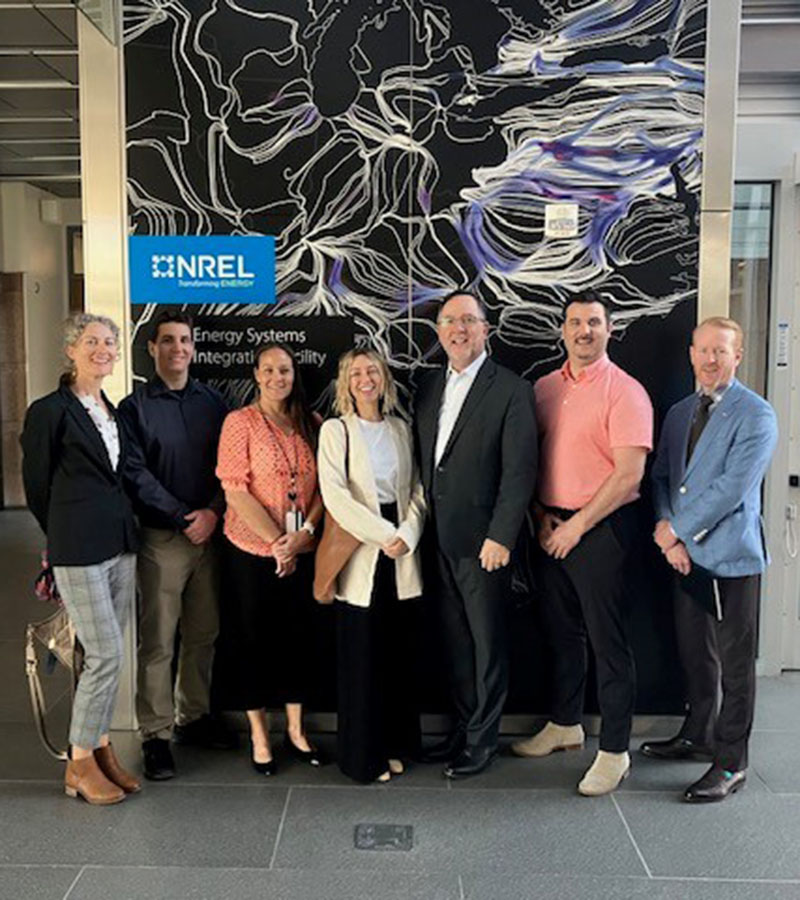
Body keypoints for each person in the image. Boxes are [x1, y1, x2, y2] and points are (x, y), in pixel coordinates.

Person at [513, 290, 653, 797]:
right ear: (563, 330)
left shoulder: (626, 391)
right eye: (575, 322)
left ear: (608, 329)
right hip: (550, 528)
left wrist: (578, 526)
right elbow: (528, 461)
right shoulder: (545, 388)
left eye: (594, 322)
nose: (584, 331)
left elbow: (629, 474)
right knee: (562, 633)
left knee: (607, 643)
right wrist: (543, 517)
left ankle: (614, 752)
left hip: (602, 531)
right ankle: (565, 725)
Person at [644, 316, 778, 802]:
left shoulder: (757, 415)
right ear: (691, 354)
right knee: (695, 654)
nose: (709, 359)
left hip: (730, 559)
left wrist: (676, 530)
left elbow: (730, 490)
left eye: (720, 351)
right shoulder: (680, 412)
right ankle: (699, 733)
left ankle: (730, 763)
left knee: (735, 666)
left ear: (737, 355)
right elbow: (662, 477)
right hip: (682, 556)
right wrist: (670, 539)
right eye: (702, 350)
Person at [414, 291, 537, 778]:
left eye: (469, 320)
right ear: (439, 331)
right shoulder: (427, 386)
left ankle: (483, 741)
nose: (459, 329)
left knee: (488, 645)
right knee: (456, 643)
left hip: (484, 543)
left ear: (487, 329)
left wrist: (501, 536)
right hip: (436, 540)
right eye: (450, 321)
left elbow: (520, 471)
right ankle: (463, 729)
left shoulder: (510, 389)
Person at [20, 313, 139, 805]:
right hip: (78, 549)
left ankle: (103, 747)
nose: (103, 349)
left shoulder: (109, 409)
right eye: (91, 341)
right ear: (70, 350)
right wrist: (62, 535)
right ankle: (79, 762)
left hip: (119, 542)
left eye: (109, 342)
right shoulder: (49, 410)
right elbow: (37, 485)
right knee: (106, 653)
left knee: (103, 657)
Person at [119, 310, 235, 782]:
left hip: (211, 533)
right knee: (159, 640)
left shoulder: (214, 401)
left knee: (204, 633)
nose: (177, 349)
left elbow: (231, 466)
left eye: (184, 341)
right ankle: (155, 735)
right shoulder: (133, 407)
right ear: (152, 348)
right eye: (167, 341)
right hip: (162, 539)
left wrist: (211, 512)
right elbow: (133, 471)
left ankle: (194, 717)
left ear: (193, 347)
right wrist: (181, 516)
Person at [214, 342, 324, 775]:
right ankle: (259, 735)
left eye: (286, 370)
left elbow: (324, 490)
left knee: (298, 639)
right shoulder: (239, 423)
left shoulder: (311, 423)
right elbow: (235, 489)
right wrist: (278, 541)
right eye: (270, 370)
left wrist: (302, 538)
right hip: (250, 553)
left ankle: (296, 731)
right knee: (251, 641)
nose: (278, 377)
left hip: (302, 549)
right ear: (256, 374)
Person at [318, 349, 426, 784]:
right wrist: (384, 535)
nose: (365, 379)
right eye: (356, 373)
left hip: (402, 554)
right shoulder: (335, 430)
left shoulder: (401, 428)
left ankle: (395, 746)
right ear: (346, 382)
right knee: (361, 662)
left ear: (384, 379)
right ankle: (364, 759)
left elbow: (419, 487)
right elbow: (335, 496)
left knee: (396, 660)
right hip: (362, 554)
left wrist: (409, 534)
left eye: (373, 371)